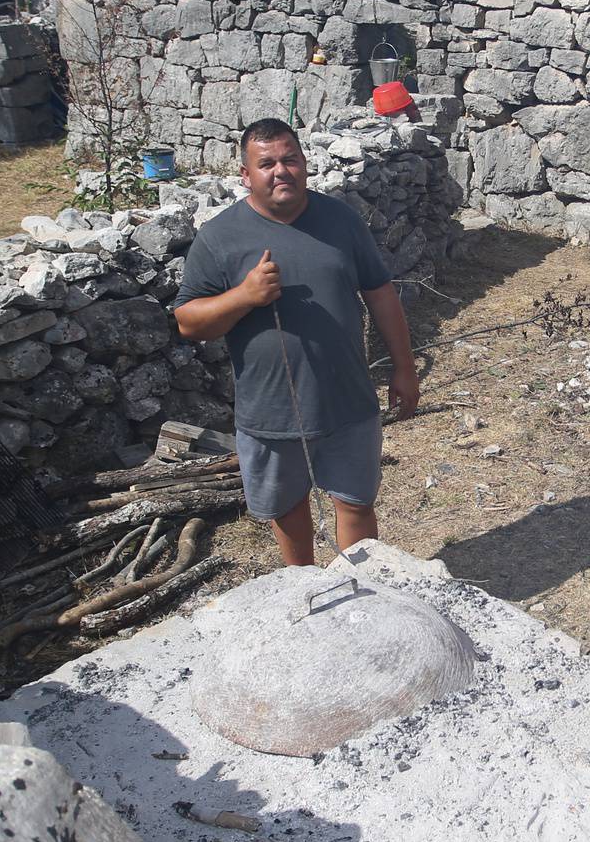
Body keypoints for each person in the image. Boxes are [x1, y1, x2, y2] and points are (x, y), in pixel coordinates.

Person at [172, 118, 420, 567]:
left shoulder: (340, 220)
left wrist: (404, 368)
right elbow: (189, 322)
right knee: (286, 509)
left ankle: (366, 598)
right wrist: (245, 296)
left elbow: (380, 294)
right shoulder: (219, 237)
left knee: (356, 503)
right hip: (269, 411)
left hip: (347, 401)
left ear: (305, 164)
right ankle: (302, 589)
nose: (280, 170)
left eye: (290, 159)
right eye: (266, 163)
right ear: (245, 176)